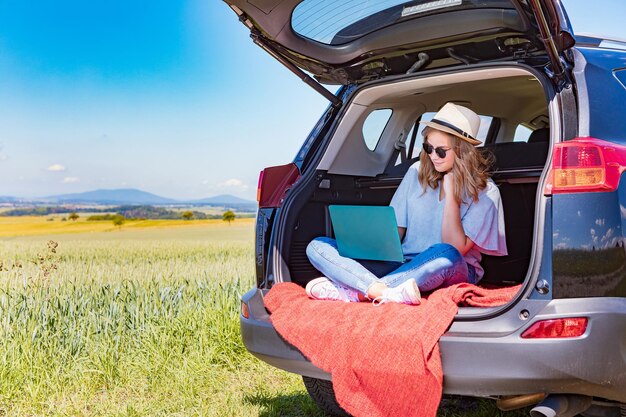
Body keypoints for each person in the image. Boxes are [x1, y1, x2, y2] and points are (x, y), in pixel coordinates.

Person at [305, 102, 507, 305]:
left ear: (463, 151)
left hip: (451, 267)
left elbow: (453, 247)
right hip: (404, 264)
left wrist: (452, 195)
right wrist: (368, 247)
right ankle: (382, 291)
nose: (433, 156)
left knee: (446, 254)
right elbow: (396, 232)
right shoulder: (416, 172)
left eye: (441, 151)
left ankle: (353, 291)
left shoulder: (487, 192)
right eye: (428, 147)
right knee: (318, 247)